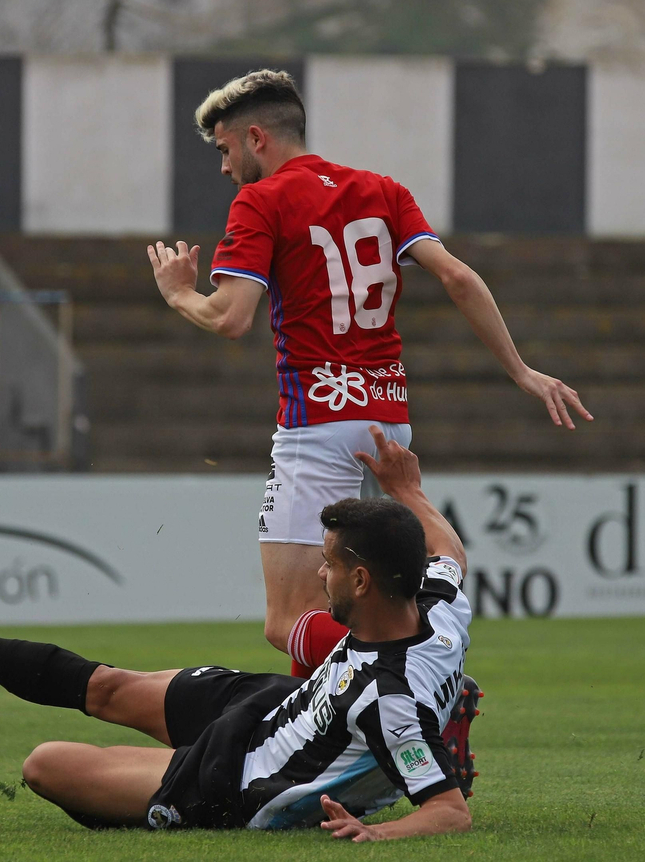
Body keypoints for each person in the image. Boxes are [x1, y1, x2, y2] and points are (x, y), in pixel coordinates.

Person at [145, 69, 591, 679]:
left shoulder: (262, 199)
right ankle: (332, 729)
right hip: (388, 421)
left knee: (287, 620)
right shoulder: (384, 190)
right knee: (343, 603)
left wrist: (178, 294)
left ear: (256, 138)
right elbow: (458, 277)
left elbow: (230, 317)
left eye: (224, 150)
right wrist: (520, 370)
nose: (224, 168)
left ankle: (425, 674)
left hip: (319, 421)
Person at [0, 427, 479, 841]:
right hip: (272, 703)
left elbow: (450, 812)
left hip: (239, 776)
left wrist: (377, 834)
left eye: (330, 564)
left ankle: (420, 748)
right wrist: (409, 491)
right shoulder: (439, 600)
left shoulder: (391, 699)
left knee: (44, 765)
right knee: (108, 687)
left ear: (363, 581)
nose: (319, 572)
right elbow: (449, 551)